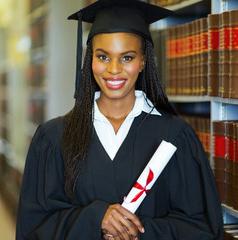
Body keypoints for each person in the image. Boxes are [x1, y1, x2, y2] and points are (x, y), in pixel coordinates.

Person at [16, 0, 223, 239]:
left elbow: (203, 229)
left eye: (127, 58)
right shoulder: (53, 138)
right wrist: (96, 218)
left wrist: (138, 231)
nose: (114, 69)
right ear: (90, 60)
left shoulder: (176, 136)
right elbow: (33, 227)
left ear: (143, 61)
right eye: (103, 57)